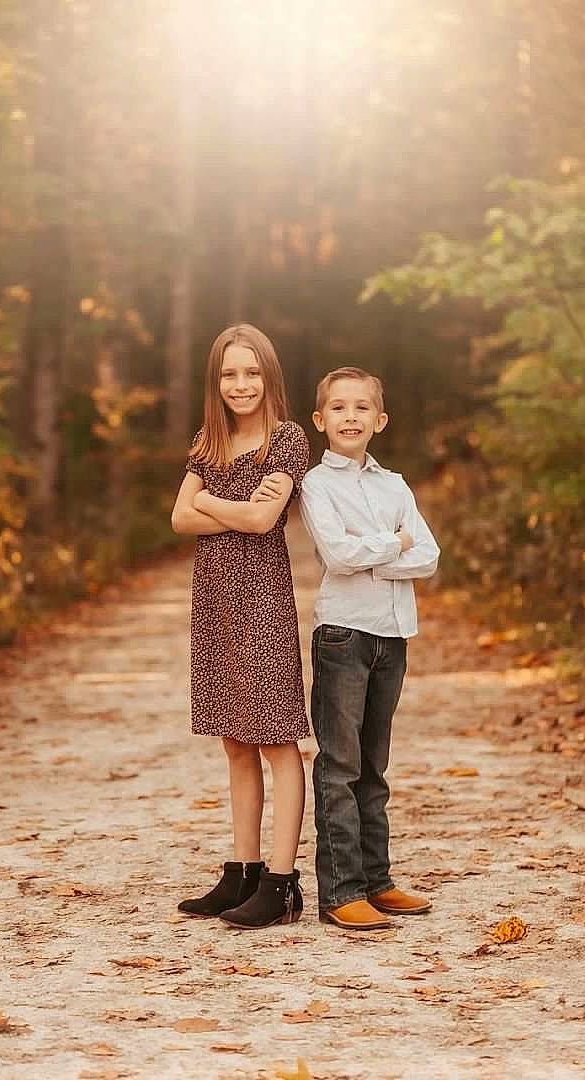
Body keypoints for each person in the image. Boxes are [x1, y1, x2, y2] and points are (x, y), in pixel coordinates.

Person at [171, 324, 310, 929]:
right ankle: (243, 871)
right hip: (215, 603)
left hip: (262, 601)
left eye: (251, 372)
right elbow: (177, 518)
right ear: (216, 381)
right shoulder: (209, 441)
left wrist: (214, 506)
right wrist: (234, 510)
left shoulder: (286, 440)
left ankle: (282, 883)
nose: (240, 383)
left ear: (269, 377)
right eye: (229, 374)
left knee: (277, 737)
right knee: (235, 739)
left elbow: (262, 522)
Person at [299, 366, 440, 929]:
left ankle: (377, 881)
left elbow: (427, 556)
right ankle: (341, 891)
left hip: (392, 634)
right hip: (343, 634)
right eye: (338, 407)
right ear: (320, 419)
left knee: (374, 766)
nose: (350, 416)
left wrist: (376, 549)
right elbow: (337, 556)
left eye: (361, 408)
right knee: (341, 764)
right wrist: (395, 544)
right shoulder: (317, 484)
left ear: (379, 420)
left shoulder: (395, 485)